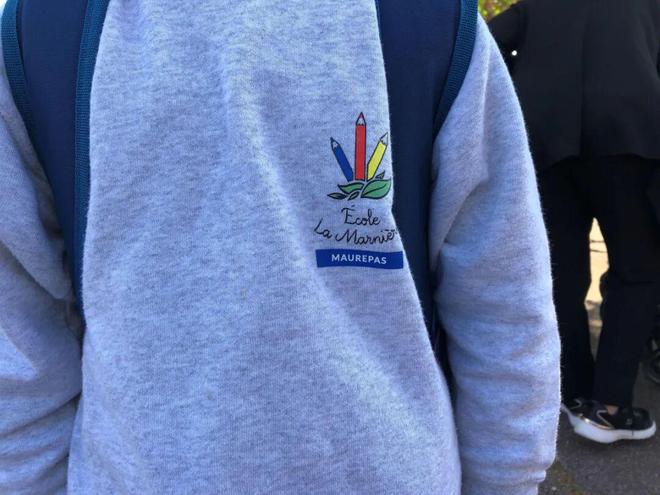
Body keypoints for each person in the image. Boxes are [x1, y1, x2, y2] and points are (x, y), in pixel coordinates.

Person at [0, 1, 560, 493]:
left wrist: (506, 478)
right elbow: (17, 331)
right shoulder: (45, 30)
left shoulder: (428, 22)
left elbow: (501, 294)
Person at [490, 0, 660, 443]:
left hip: (546, 135)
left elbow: (485, 42)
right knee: (638, 271)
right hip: (630, 135)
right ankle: (608, 408)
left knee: (560, 272)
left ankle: (573, 390)